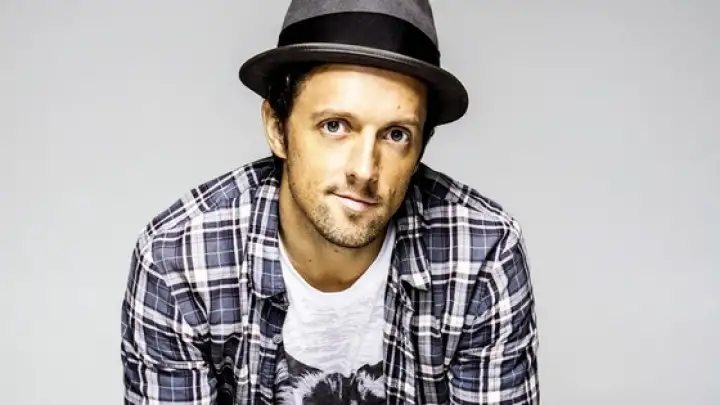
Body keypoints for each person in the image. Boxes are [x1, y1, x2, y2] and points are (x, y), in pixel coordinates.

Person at [120, 1, 539, 404]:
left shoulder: (482, 256)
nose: (365, 170)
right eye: (335, 126)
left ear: (419, 152)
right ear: (277, 128)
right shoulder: (180, 263)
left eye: (396, 135)